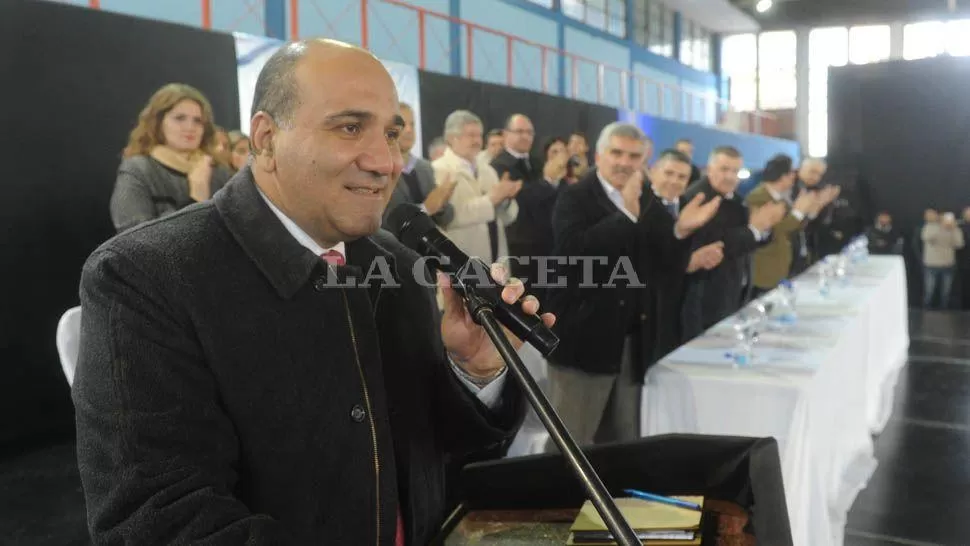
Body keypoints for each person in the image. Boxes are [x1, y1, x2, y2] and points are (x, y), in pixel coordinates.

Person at [74, 39, 554, 546]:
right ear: (264, 137)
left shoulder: (396, 264)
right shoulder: (144, 276)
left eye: (392, 133)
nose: (385, 162)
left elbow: (440, 457)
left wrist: (476, 370)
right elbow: (158, 517)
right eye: (350, 128)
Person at [544, 123, 721, 448]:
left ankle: (611, 500)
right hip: (581, 344)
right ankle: (558, 501)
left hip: (630, 342)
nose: (625, 162)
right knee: (570, 444)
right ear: (598, 155)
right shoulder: (574, 196)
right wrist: (625, 213)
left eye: (633, 156)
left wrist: (681, 231)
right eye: (617, 153)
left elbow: (664, 265)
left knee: (623, 441)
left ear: (643, 160)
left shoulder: (646, 198)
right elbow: (574, 256)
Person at [680, 147, 787, 340]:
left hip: (733, 292)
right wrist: (755, 229)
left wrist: (764, 228)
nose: (730, 176)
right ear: (709, 169)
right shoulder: (697, 198)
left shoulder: (735, 199)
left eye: (735, 171)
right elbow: (718, 246)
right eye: (724, 169)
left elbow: (751, 239)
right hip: (706, 298)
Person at [109, 83, 232, 232]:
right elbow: (134, 239)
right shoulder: (138, 169)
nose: (190, 127)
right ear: (158, 122)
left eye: (197, 121)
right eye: (180, 118)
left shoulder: (219, 170)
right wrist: (196, 200)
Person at [644, 149, 726, 362]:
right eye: (668, 173)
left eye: (682, 177)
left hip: (686, 307)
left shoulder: (692, 206)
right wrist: (686, 262)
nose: (674, 181)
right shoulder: (638, 206)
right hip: (649, 311)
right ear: (653, 172)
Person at [433, 110, 521, 265]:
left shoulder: (488, 170)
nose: (477, 141)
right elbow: (447, 218)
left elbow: (505, 218)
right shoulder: (438, 170)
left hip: (496, 260)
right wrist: (490, 200)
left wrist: (506, 200)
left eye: (479, 135)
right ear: (451, 138)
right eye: (470, 135)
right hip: (461, 262)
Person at [746, 155, 838, 298]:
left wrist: (812, 210)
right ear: (783, 177)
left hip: (784, 266)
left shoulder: (780, 197)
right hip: (766, 270)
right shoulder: (758, 197)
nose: (793, 177)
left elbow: (796, 226)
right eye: (791, 174)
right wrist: (799, 211)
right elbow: (773, 230)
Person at [382, 102, 456, 227]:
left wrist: (442, 204)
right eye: (403, 125)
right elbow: (378, 225)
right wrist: (425, 209)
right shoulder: (378, 169)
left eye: (412, 124)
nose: (410, 130)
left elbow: (446, 219)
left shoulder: (425, 167)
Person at [789, 157, 828, 274]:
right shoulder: (787, 186)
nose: (815, 177)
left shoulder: (816, 190)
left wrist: (818, 209)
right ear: (801, 168)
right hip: (786, 252)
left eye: (819, 175)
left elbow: (816, 224)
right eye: (812, 172)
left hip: (806, 249)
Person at [922, 211, 965, 308]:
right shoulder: (930, 226)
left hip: (948, 265)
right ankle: (925, 312)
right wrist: (941, 227)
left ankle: (944, 312)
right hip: (932, 264)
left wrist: (953, 229)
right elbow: (926, 237)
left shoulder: (955, 229)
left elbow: (959, 244)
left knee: (946, 293)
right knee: (929, 292)